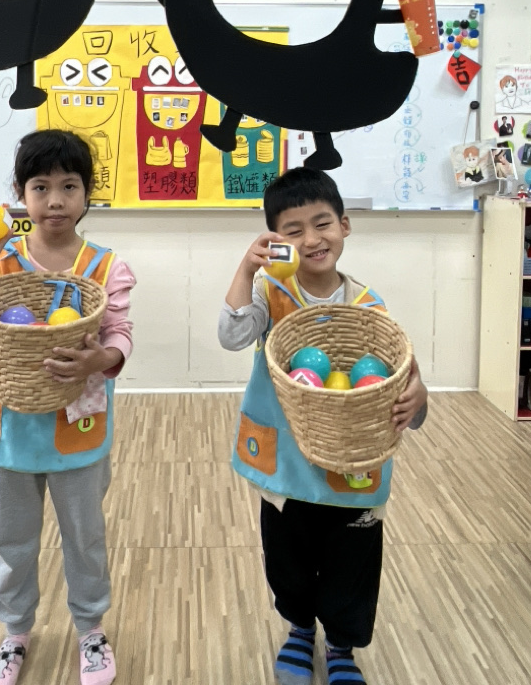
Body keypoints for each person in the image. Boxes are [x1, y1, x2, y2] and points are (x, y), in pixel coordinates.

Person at [218, 167, 428, 685]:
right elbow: (231, 335)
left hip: (354, 460)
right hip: (287, 462)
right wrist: (247, 269)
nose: (312, 239)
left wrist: (419, 394)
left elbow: (395, 371)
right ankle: (299, 628)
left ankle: (340, 645)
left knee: (352, 560)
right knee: (287, 556)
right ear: (275, 239)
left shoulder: (367, 304)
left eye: (322, 223)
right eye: (293, 230)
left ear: (345, 225)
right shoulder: (271, 292)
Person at [0, 129, 136, 685]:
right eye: (40, 187)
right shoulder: (1, 264)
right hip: (10, 428)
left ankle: (91, 630)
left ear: (87, 193)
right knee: (14, 538)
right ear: (20, 194)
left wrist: (100, 358)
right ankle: (15, 634)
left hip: (76, 423)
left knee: (84, 534)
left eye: (69, 186)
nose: (55, 201)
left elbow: (120, 334)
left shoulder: (105, 267)